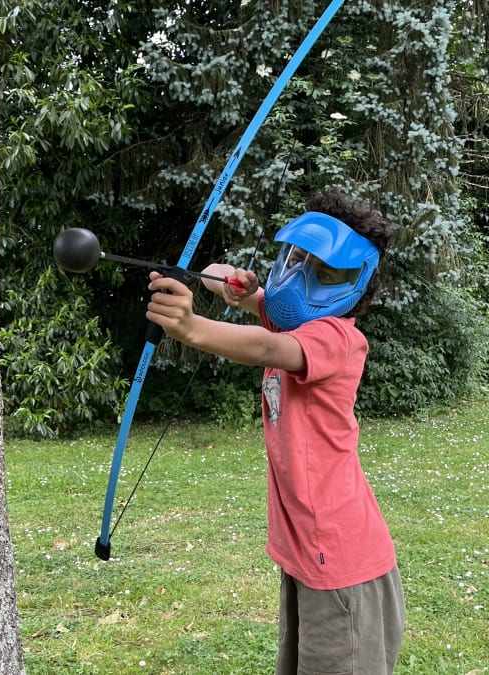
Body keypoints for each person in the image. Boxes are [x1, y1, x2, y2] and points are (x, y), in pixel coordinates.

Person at [146, 188, 405, 674]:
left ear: (354, 285)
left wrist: (191, 328)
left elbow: (267, 349)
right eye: (297, 261)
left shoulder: (337, 339)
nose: (303, 278)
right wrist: (232, 282)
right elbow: (230, 283)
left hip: (342, 567)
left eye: (325, 273)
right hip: (309, 559)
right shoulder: (291, 322)